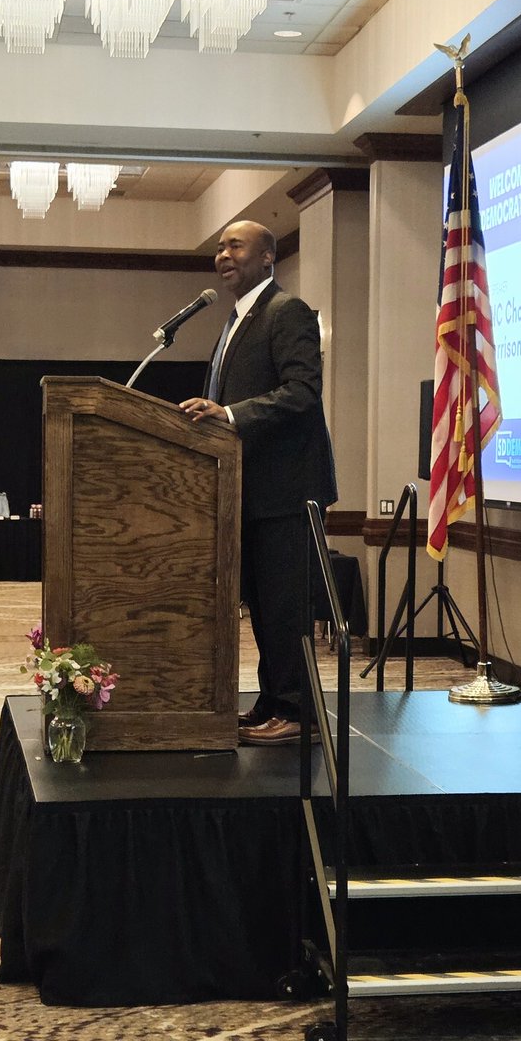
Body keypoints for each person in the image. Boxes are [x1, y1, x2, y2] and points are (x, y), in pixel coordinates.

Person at [180, 219, 337, 745]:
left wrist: (227, 413)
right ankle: (272, 702)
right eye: (219, 247)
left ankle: (298, 714)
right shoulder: (234, 320)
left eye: (234, 246)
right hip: (249, 494)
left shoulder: (285, 311)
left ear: (267, 257)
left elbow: (302, 392)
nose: (222, 255)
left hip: (287, 492)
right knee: (265, 607)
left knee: (286, 606)